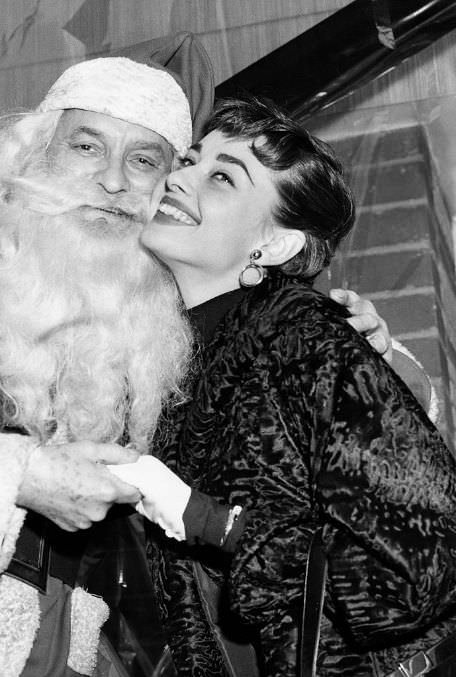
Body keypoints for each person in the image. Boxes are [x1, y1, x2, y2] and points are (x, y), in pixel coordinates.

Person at [0, 33, 414, 676]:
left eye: (145, 160)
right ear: (35, 154)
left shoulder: (158, 330)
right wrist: (17, 477)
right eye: (86, 145)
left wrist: (379, 365)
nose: (112, 179)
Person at [108, 95, 456, 677]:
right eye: (191, 160)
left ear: (273, 246)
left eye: (221, 176)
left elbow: (426, 558)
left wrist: (211, 522)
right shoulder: (169, 361)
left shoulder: (299, 334)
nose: (180, 178)